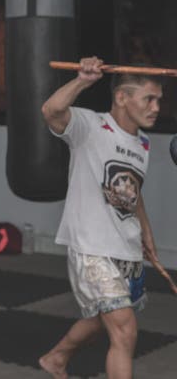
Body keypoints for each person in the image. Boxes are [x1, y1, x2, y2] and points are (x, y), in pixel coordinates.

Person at [39, 56, 163, 379]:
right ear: (122, 97)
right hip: (92, 248)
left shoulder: (143, 144)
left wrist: (146, 232)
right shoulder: (89, 127)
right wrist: (82, 80)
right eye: (149, 99)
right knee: (124, 331)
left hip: (127, 247)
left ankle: (56, 357)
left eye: (159, 101)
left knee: (99, 320)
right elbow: (50, 111)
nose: (156, 107)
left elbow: (133, 191)